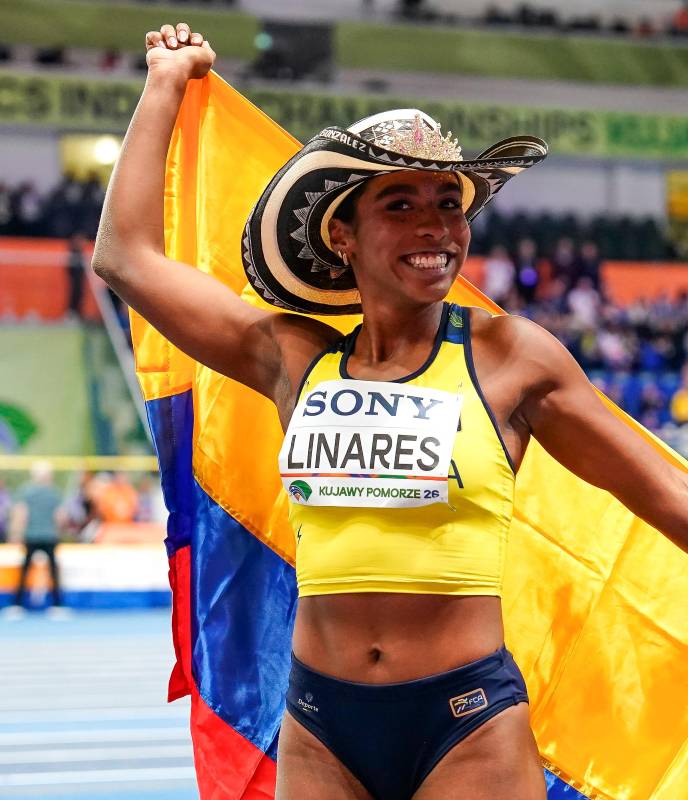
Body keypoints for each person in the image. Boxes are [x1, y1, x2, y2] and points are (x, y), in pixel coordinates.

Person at [91, 23, 688, 800]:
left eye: (449, 203)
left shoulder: (512, 358)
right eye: (400, 205)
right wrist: (165, 81)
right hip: (320, 724)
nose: (434, 226)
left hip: (467, 723)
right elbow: (126, 258)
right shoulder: (291, 358)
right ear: (342, 234)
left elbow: (668, 495)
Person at [4, 461, 69, 618]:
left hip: (31, 536)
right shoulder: (54, 492)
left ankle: (17, 604)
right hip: (49, 536)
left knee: (25, 570)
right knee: (53, 571)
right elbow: (60, 517)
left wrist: (15, 533)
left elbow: (21, 514)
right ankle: (57, 605)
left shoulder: (26, 491)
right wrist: (59, 531)